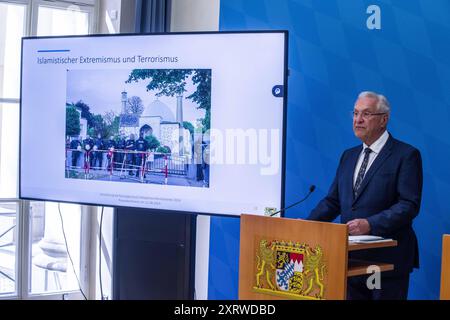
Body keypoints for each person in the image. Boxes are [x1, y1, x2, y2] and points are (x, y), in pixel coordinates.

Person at [308, 91, 423, 300]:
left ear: (383, 119)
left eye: (366, 114)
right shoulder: (349, 156)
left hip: (385, 260)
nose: (358, 120)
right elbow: (333, 202)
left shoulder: (406, 155)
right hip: (350, 259)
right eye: (355, 113)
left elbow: (408, 205)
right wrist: (305, 226)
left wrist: (370, 224)